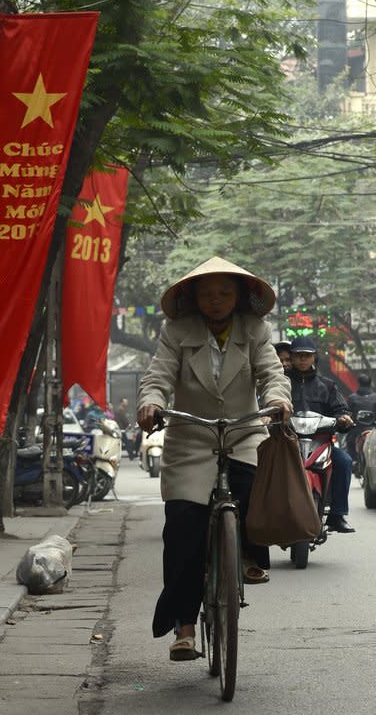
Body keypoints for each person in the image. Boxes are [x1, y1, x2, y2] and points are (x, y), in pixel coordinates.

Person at [136, 256, 291, 661]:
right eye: (208, 293)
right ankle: (184, 628)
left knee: (253, 487)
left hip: (243, 432)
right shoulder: (176, 331)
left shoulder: (256, 329)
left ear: (240, 296)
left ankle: (248, 556)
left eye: (225, 292)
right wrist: (151, 403)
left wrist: (277, 399)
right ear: (194, 298)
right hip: (189, 440)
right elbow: (158, 377)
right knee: (182, 531)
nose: (216, 300)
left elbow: (272, 374)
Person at [287, 336, 355, 534]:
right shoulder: (280, 383)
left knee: (344, 462)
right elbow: (267, 404)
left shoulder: (328, 385)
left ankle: (337, 515)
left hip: (320, 443)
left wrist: (344, 418)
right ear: (291, 357)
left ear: (314, 357)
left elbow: (342, 409)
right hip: (287, 442)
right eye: (298, 355)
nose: (302, 359)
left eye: (306, 355)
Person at [346, 373, 376, 471]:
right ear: (370, 383)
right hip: (373, 428)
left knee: (349, 441)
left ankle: (354, 461)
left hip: (356, 428)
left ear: (358, 383)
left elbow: (348, 413)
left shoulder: (352, 398)